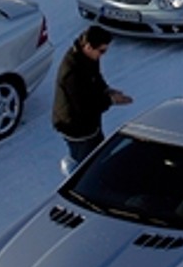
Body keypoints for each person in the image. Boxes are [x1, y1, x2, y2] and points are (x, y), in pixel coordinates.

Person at [52, 26, 132, 171]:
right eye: (101, 51)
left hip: (89, 124)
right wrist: (111, 100)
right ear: (88, 47)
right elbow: (84, 106)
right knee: (86, 166)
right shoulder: (72, 73)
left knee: (97, 155)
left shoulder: (86, 56)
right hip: (76, 127)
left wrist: (106, 90)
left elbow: (96, 76)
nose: (103, 55)